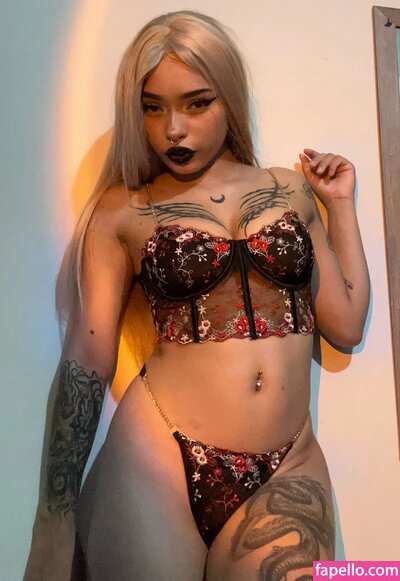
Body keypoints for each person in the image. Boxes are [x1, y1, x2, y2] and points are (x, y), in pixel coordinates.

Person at [24, 10, 370, 581]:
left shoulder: (290, 191)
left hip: (287, 467)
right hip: (156, 461)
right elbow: (87, 360)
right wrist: (53, 518)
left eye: (196, 103)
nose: (173, 130)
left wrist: (340, 205)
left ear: (228, 98)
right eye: (152, 107)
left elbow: (347, 324)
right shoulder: (122, 210)